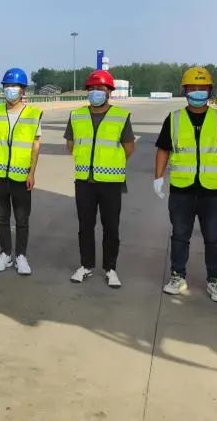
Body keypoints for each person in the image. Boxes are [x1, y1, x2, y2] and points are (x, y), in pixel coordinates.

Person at [154, 66, 217, 303]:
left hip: (212, 191)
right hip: (181, 189)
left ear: (210, 90)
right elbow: (163, 150)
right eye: (192, 87)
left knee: (213, 237)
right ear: (185, 90)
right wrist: (158, 177)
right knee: (180, 235)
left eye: (202, 87)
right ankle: (177, 276)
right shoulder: (174, 119)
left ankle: (214, 280)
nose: (197, 91)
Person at [65, 70, 135, 289]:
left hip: (111, 183)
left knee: (111, 227)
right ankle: (86, 265)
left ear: (109, 92)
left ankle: (110, 268)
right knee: (85, 226)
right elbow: (70, 145)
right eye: (92, 89)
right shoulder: (76, 115)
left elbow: (129, 148)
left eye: (100, 89)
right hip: (84, 182)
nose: (96, 92)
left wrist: (109, 162)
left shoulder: (121, 116)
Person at [0, 68, 42, 275]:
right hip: (0, 175)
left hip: (21, 176)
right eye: (7, 86)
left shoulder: (33, 114)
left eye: (14, 86)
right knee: (1, 218)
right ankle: (5, 254)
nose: (10, 89)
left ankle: (20, 256)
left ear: (23, 90)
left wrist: (32, 173)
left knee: (22, 219)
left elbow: (36, 145)